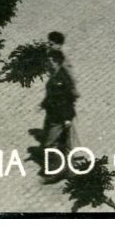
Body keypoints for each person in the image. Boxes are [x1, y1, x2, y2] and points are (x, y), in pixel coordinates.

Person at [35, 33, 78, 182]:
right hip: (56, 112)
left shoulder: (62, 72)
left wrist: (67, 117)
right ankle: (71, 170)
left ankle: (54, 172)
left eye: (51, 43)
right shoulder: (56, 73)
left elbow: (67, 95)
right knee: (65, 142)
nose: (48, 64)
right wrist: (43, 104)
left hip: (60, 114)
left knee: (52, 144)